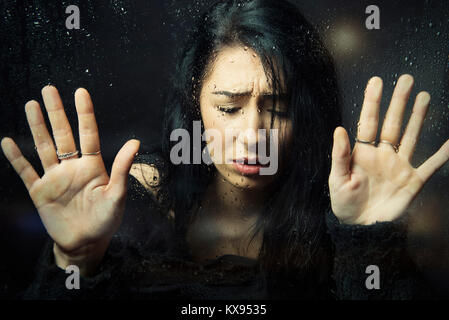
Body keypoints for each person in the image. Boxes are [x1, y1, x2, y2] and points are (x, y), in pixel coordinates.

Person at [2, 0, 448, 299]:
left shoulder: (338, 208)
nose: (253, 134)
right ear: (195, 105)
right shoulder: (134, 199)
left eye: (278, 109)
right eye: (230, 107)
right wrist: (74, 261)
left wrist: (367, 241)